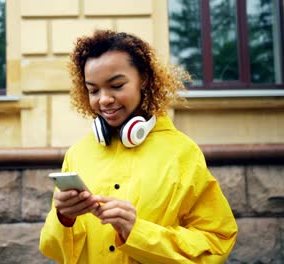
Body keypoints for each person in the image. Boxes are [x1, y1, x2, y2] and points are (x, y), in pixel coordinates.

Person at [39, 29, 238, 263]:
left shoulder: (182, 153)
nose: (103, 99)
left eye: (116, 85)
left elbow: (217, 241)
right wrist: (63, 218)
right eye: (93, 90)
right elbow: (52, 250)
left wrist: (137, 231)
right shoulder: (77, 154)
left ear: (143, 78)